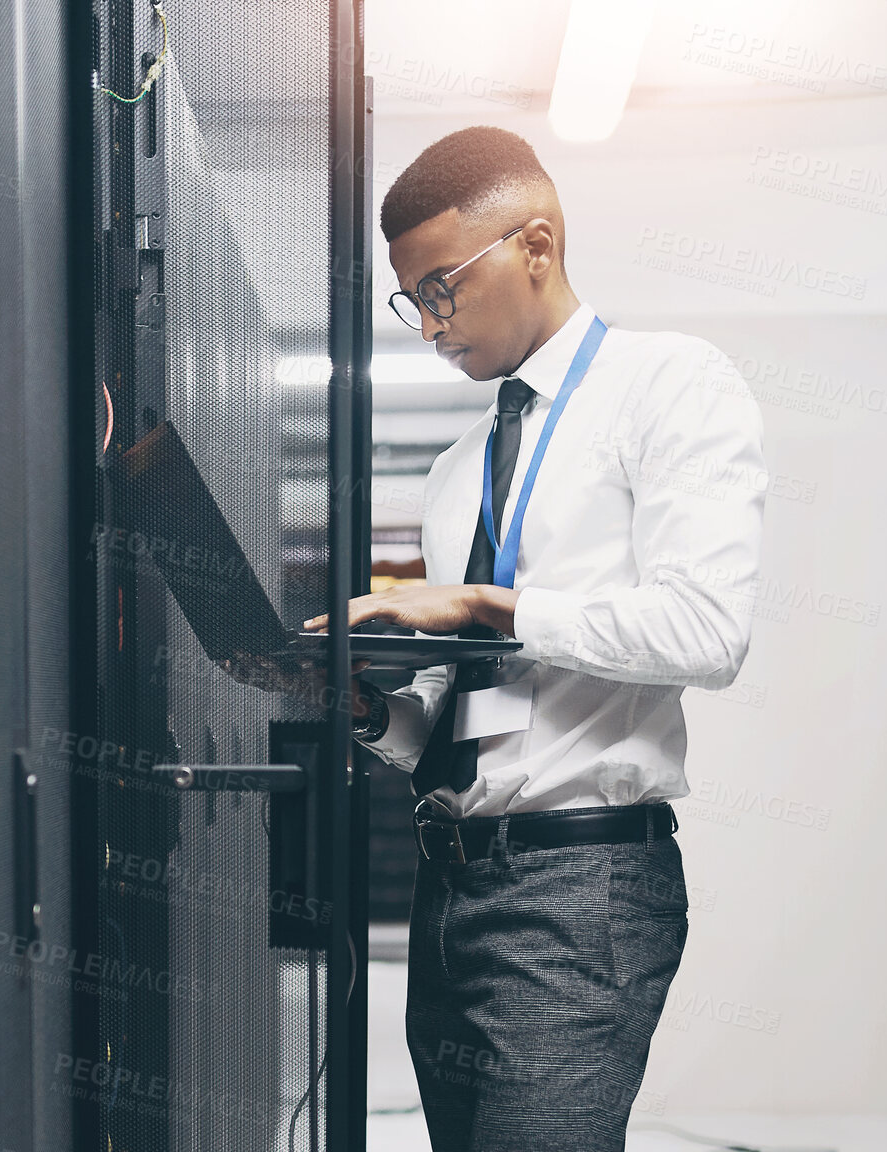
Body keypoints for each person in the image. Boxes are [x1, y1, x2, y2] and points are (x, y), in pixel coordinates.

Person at [301, 127, 767, 1150]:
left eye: (441, 290)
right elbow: (456, 721)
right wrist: (369, 710)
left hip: (579, 885)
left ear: (537, 247)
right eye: (411, 301)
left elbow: (707, 629)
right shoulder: (452, 471)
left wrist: (486, 605)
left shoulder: (670, 386)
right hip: (448, 883)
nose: (427, 327)